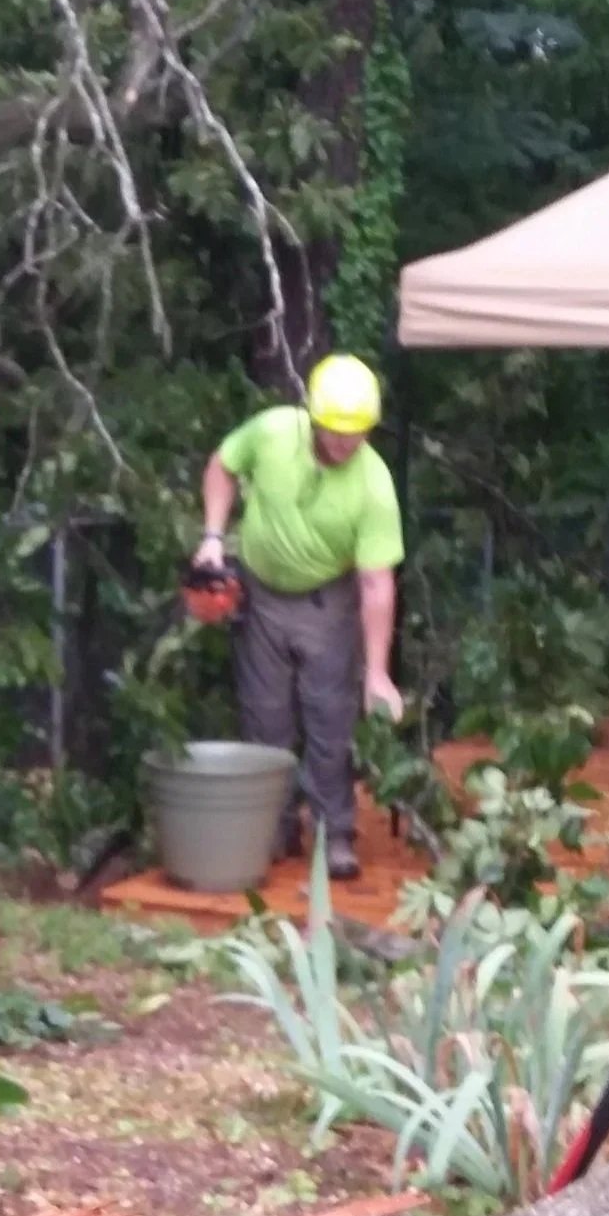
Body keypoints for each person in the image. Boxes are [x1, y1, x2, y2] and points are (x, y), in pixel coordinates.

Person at [193, 353, 405, 880]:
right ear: (313, 416)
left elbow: (377, 582)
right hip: (261, 595)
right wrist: (213, 539)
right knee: (265, 719)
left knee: (330, 719)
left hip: (326, 603)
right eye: (336, 430)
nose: (345, 443)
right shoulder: (270, 432)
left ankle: (335, 832)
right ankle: (274, 826)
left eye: (357, 433)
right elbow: (223, 464)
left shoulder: (375, 486)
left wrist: (377, 673)